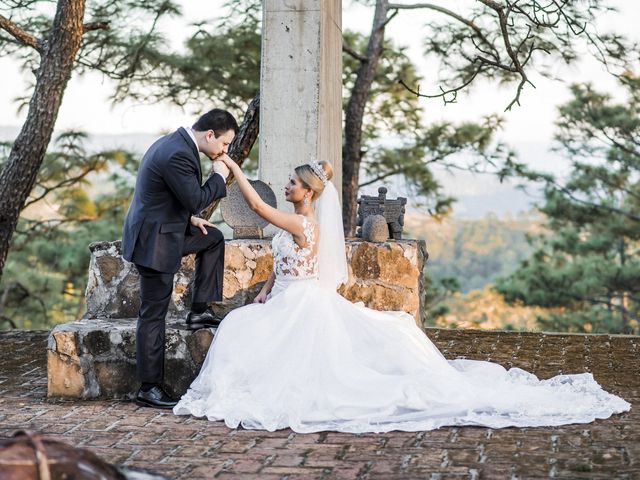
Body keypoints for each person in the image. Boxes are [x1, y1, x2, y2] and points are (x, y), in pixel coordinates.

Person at [173, 158, 630, 433]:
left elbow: (255, 207)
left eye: (293, 183)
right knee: (244, 323)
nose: (288, 186)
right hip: (286, 295)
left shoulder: (302, 222)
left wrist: (231, 169)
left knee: (255, 340)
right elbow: (284, 262)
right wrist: (266, 290)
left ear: (308, 194)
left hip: (304, 303)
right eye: (288, 183)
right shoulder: (295, 227)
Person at [122, 108, 238, 409]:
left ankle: (199, 309)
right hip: (154, 243)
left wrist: (190, 220)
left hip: (167, 229)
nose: (224, 151)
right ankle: (149, 388)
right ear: (210, 135)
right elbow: (197, 198)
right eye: (224, 144)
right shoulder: (178, 153)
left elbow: (168, 196)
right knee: (152, 316)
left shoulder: (177, 144)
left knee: (213, 238)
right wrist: (219, 176)